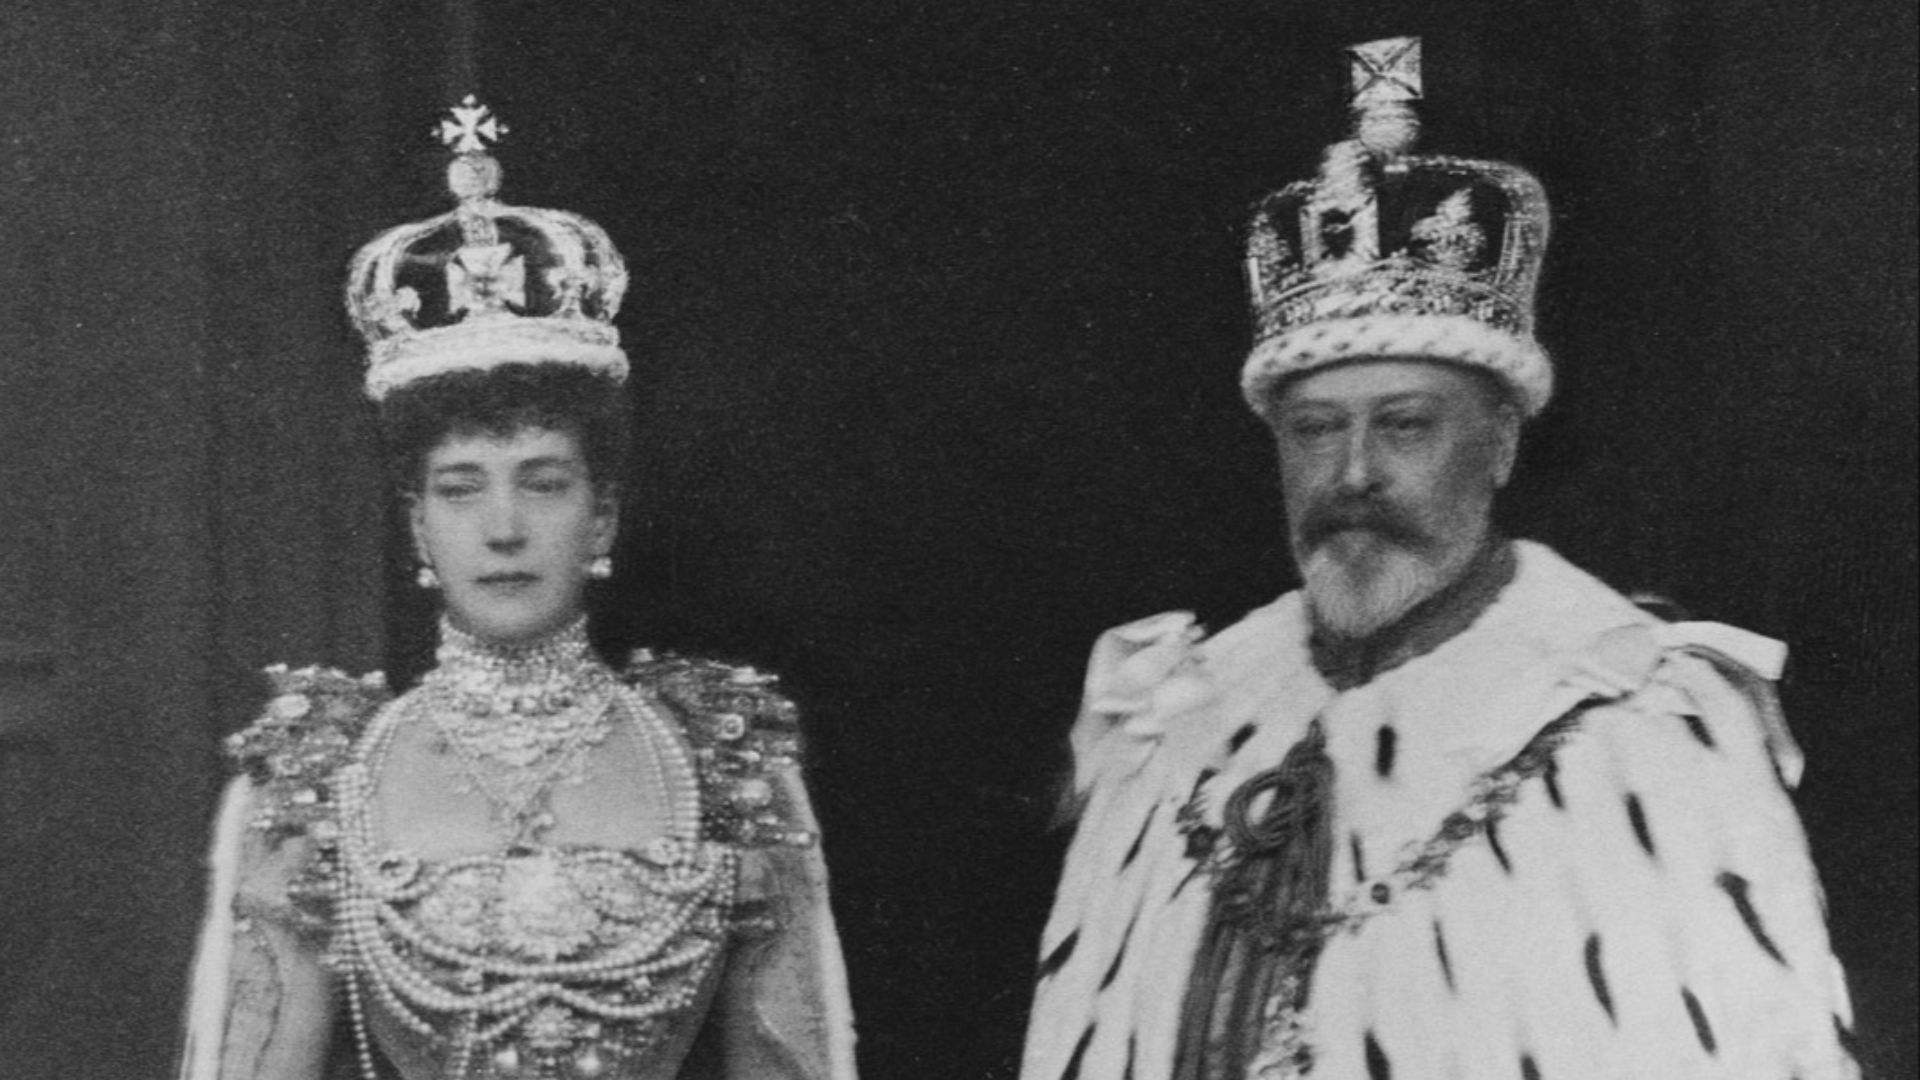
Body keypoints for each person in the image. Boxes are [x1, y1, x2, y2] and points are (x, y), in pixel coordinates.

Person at [1020, 38, 1860, 1080]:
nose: (1355, 474)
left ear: (1500, 443)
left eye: (1406, 426)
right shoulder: (1182, 714)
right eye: (1316, 430)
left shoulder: (1642, 724)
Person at [177, 98, 858, 1080]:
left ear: (603, 517)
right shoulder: (322, 782)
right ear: (419, 525)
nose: (504, 527)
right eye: (461, 490)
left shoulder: (722, 766)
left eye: (544, 482)